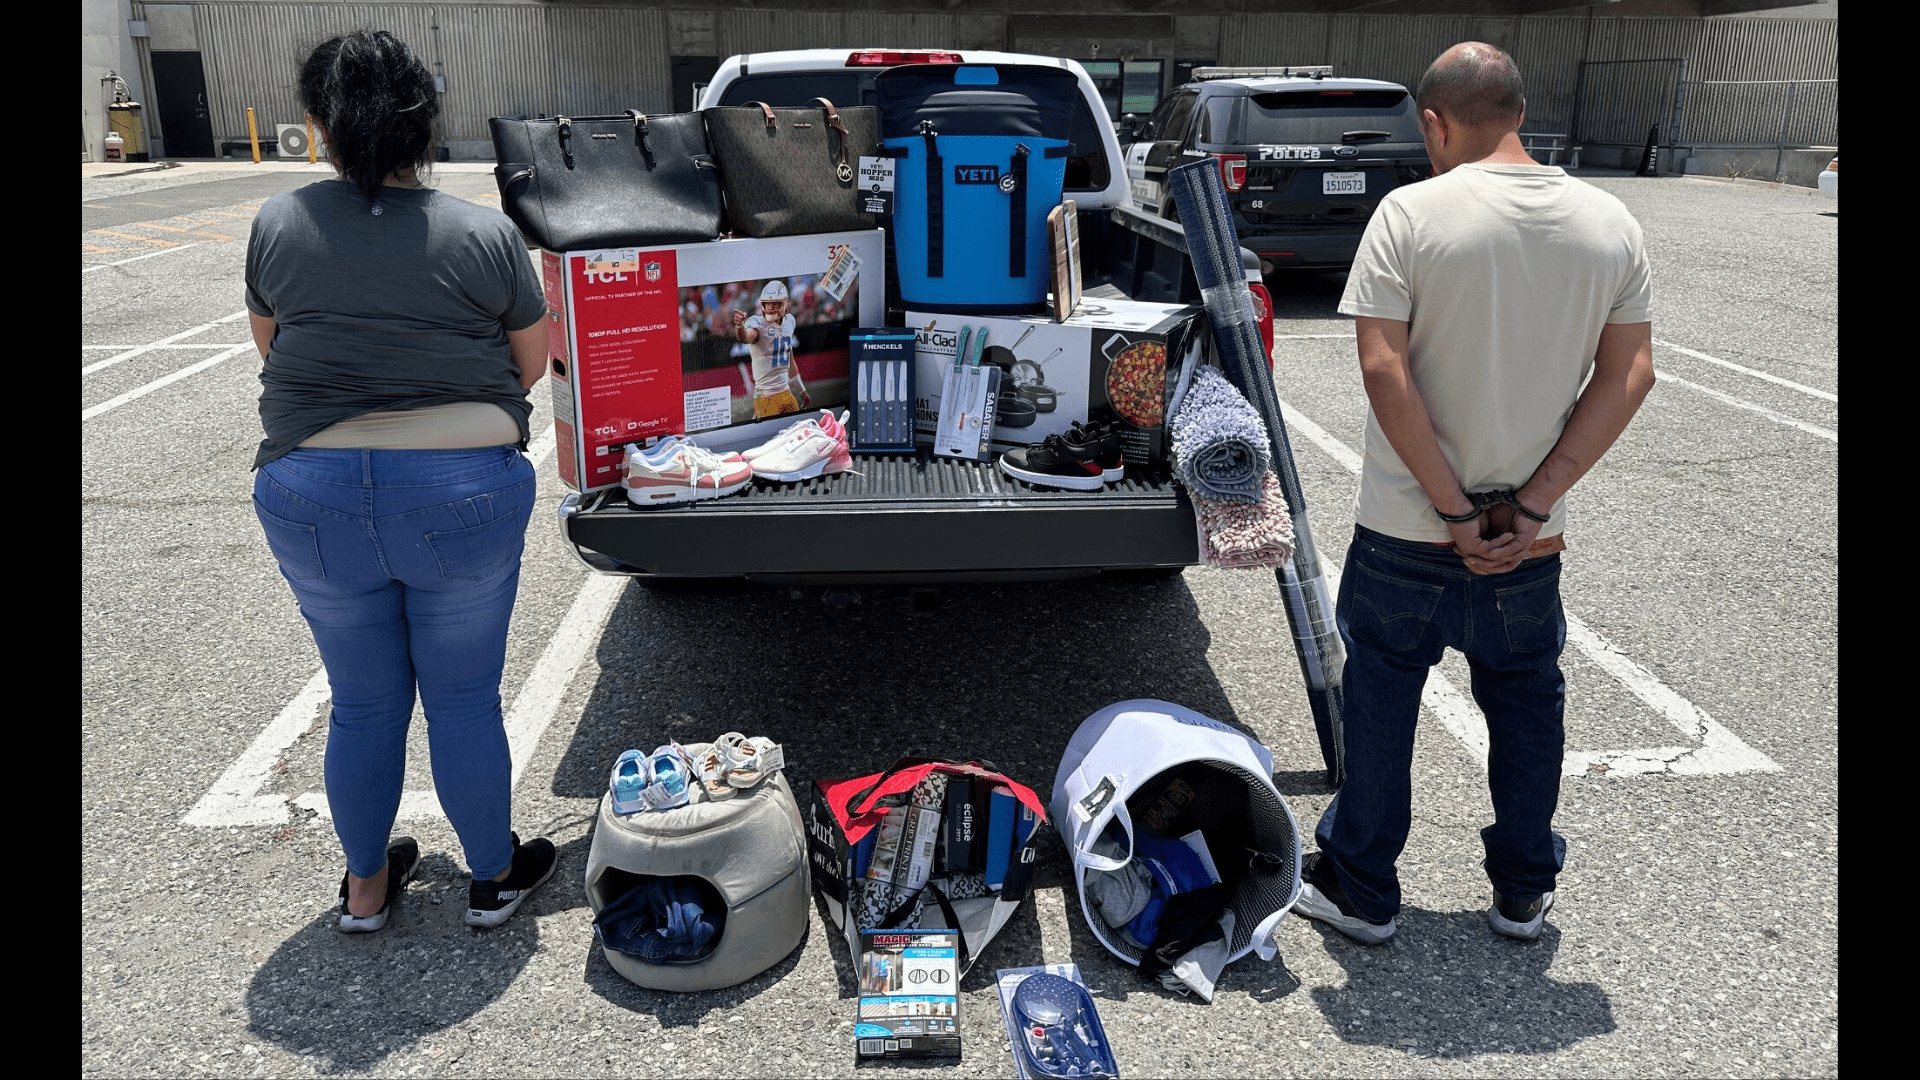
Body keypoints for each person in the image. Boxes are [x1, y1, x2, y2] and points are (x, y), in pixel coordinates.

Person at [1295, 42, 1656, 946]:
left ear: (1435, 123)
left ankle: (1363, 890)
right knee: (1527, 702)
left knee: (1380, 703)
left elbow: (1385, 371)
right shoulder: (1610, 223)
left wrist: (1452, 509)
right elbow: (1631, 376)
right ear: (1522, 114)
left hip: (1407, 530)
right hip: (1527, 541)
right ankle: (1524, 891)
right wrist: (1530, 505)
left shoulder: (1410, 215)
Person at [245, 29, 558, 934]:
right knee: (463, 696)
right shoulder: (482, 233)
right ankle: (493, 878)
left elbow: (271, 350)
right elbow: (530, 365)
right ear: (425, 124)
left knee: (363, 699)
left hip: (312, 490)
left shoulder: (278, 222)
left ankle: (367, 887)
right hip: (461, 488)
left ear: (318, 125)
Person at [732, 280, 811, 418]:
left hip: (786, 393)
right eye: (767, 303)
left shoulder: (789, 322)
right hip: (766, 399)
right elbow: (745, 337)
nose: (770, 307)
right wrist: (739, 327)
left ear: (784, 303)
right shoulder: (758, 325)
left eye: (775, 303)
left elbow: (790, 361)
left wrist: (801, 390)